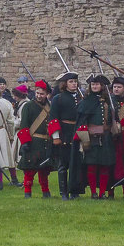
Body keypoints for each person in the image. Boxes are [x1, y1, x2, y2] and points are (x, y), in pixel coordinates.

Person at [78, 74, 117, 199]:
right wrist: (85, 140)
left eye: (97, 84)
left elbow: (111, 119)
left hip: (105, 137)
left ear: (102, 86)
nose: (95, 86)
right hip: (91, 137)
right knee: (92, 166)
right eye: (93, 84)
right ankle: (94, 192)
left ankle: (102, 193)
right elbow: (82, 122)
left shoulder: (107, 101)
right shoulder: (86, 101)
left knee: (105, 166)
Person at [48, 72, 86, 200]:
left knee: (77, 164)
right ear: (65, 84)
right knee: (63, 165)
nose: (74, 84)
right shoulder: (58, 98)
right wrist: (56, 137)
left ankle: (75, 191)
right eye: (71, 82)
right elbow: (53, 118)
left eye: (75, 81)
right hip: (64, 133)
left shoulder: (81, 98)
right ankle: (63, 192)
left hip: (78, 131)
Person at [15, 81, 53, 198]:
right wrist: (25, 142)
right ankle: (27, 192)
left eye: (42, 94)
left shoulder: (50, 106)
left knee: (44, 169)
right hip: (33, 142)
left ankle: (45, 191)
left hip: (46, 142)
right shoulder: (28, 106)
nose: (39, 95)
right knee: (29, 169)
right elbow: (24, 125)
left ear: (47, 94)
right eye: (37, 93)